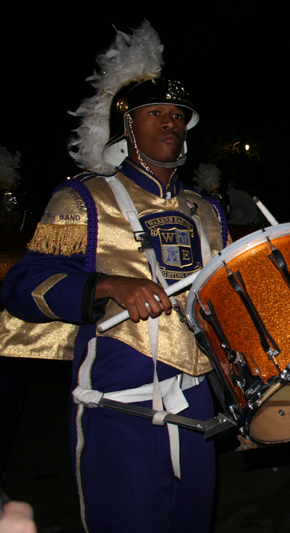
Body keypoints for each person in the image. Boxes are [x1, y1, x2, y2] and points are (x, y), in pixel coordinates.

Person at [0, 22, 228, 532]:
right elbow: (22, 286)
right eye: (155, 113)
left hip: (198, 404)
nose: (170, 122)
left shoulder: (206, 210)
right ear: (126, 125)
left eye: (177, 115)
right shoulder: (84, 197)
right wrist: (106, 285)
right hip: (119, 407)